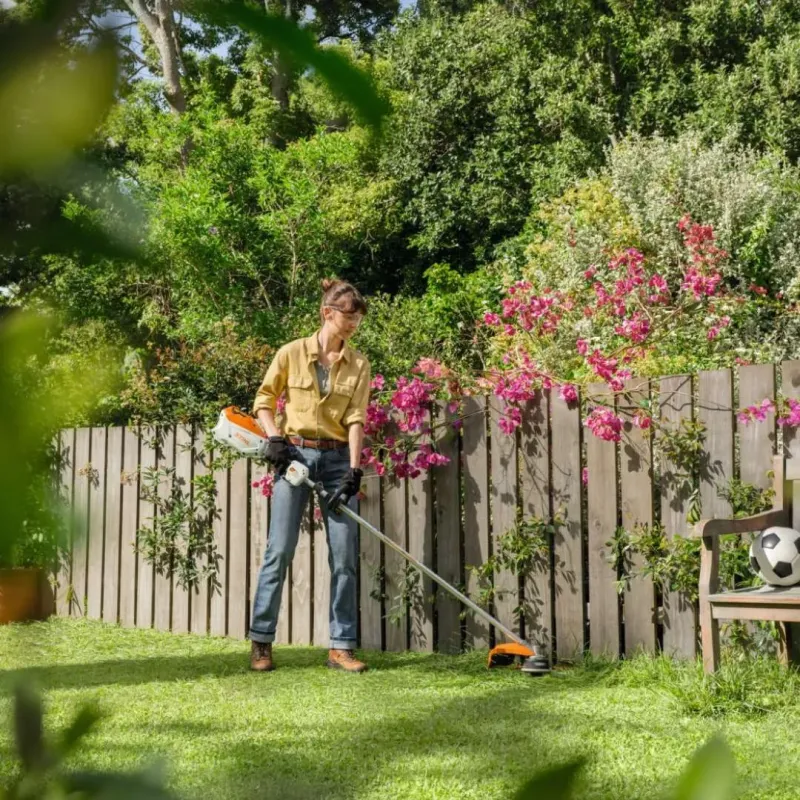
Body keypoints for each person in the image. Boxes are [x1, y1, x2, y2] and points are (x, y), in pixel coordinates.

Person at [249, 278, 371, 673]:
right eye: (348, 317)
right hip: (296, 457)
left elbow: (356, 419)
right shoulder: (291, 353)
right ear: (327, 313)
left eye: (357, 320)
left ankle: (341, 647)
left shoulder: (359, 364)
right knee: (279, 550)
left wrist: (354, 469)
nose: (353, 325)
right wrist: (275, 439)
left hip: (337, 460)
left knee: (344, 556)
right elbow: (264, 400)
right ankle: (261, 642)